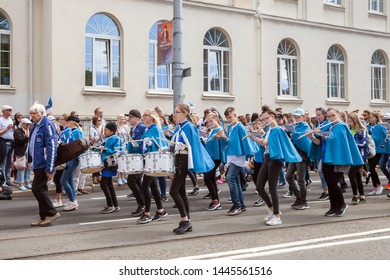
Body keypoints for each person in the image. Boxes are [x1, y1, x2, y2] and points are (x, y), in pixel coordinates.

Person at [253, 105, 302, 226]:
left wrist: (257, 137)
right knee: (259, 187)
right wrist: (253, 137)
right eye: (262, 120)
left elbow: (278, 146)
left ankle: (277, 216)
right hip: (267, 158)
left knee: (272, 188)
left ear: (272, 117)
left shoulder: (277, 130)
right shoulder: (270, 130)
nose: (264, 121)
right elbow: (265, 144)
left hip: (275, 160)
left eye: (266, 119)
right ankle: (272, 209)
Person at [169, 103, 214, 234]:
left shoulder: (189, 127)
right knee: (181, 191)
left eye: (177, 112)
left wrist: (182, 147)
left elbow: (193, 146)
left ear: (184, 113)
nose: (174, 114)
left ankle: (185, 220)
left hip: (183, 160)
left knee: (173, 191)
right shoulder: (179, 128)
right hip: (179, 159)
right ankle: (187, 221)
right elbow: (175, 145)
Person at [315, 108, 363, 217]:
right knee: (330, 184)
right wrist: (312, 135)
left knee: (333, 182)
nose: (330, 118)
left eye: (333, 115)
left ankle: (342, 204)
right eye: (329, 116)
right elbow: (320, 142)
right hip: (327, 158)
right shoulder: (330, 126)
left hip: (339, 159)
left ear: (339, 115)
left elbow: (335, 139)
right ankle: (333, 207)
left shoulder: (342, 126)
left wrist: (322, 134)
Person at [217, 107, 258, 216]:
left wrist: (224, 137)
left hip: (238, 156)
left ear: (235, 115)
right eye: (227, 118)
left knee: (230, 177)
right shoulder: (231, 127)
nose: (229, 119)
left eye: (230, 117)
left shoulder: (239, 127)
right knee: (235, 180)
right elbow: (230, 142)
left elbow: (237, 142)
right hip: (232, 156)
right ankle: (241, 204)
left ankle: (237, 204)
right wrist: (221, 138)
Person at [28, 103, 60, 226]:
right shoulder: (35, 126)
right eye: (31, 114)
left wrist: (50, 168)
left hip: (43, 163)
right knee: (41, 189)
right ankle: (44, 216)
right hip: (37, 163)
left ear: (42, 113)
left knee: (36, 188)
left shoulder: (47, 125)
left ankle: (52, 213)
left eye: (34, 114)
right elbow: (32, 144)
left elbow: (52, 148)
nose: (32, 116)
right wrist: (29, 158)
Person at [136, 109, 168, 223]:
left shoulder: (155, 129)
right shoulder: (148, 129)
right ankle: (160, 210)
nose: (143, 117)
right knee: (153, 186)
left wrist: (150, 142)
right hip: (149, 160)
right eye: (143, 115)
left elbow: (161, 144)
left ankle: (147, 213)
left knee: (145, 186)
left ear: (152, 117)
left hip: (154, 161)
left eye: (145, 115)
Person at [285, 108, 312, 210]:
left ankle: (304, 201)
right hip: (295, 154)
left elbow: (300, 136)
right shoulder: (295, 125)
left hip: (302, 155)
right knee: (288, 176)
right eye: (295, 116)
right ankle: (298, 197)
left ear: (303, 117)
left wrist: (291, 133)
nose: (296, 118)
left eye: (298, 116)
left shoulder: (305, 125)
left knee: (300, 179)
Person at [94, 122, 122, 214]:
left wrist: (105, 148)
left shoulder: (115, 138)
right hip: (108, 163)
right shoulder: (110, 138)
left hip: (110, 163)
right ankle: (115, 204)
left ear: (112, 131)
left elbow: (117, 150)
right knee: (109, 184)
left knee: (103, 184)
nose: (105, 131)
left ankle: (110, 205)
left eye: (106, 130)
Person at [59, 115, 84, 211]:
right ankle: (73, 200)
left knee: (63, 181)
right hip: (69, 158)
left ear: (73, 122)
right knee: (69, 180)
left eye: (68, 121)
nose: (67, 122)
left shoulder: (77, 132)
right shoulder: (71, 131)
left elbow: (80, 145)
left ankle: (73, 201)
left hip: (73, 158)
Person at [125, 109, 146, 216]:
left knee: (132, 181)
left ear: (137, 118)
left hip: (140, 158)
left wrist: (135, 145)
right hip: (134, 158)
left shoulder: (141, 128)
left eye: (131, 117)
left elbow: (142, 142)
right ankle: (144, 203)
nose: (129, 119)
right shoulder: (133, 129)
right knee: (137, 182)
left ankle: (142, 203)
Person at [203, 112, 225, 211]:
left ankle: (215, 201)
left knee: (208, 178)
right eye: (208, 122)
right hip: (211, 157)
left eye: (211, 121)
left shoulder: (219, 130)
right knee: (210, 178)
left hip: (215, 157)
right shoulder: (212, 131)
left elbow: (223, 140)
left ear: (216, 119)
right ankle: (216, 201)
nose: (209, 123)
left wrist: (219, 137)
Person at [347, 112, 367, 204]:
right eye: (348, 121)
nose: (349, 123)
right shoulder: (349, 130)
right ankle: (362, 195)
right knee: (357, 176)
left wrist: (352, 143)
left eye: (351, 121)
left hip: (360, 156)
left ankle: (355, 195)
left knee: (351, 174)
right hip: (352, 156)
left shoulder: (361, 130)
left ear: (355, 121)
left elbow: (363, 143)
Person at [367, 111, 386, 196]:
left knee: (372, 168)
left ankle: (379, 186)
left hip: (378, 150)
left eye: (372, 117)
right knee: (370, 169)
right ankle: (375, 187)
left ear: (376, 118)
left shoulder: (380, 126)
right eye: (370, 118)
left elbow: (383, 137)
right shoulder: (369, 126)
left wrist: (370, 137)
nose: (371, 119)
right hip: (371, 149)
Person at [13, 118, 32, 190]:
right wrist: (27, 137)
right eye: (27, 124)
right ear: (23, 124)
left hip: (28, 151)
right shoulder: (18, 131)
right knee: (21, 167)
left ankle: (27, 182)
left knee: (28, 167)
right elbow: (19, 141)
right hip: (21, 152)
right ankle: (20, 183)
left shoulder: (28, 131)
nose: (28, 126)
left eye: (29, 125)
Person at [0, 105, 16, 186]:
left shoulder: (10, 119)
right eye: (9, 110)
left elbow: (12, 131)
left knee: (9, 163)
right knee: (3, 162)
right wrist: (7, 128)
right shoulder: (0, 120)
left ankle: (8, 180)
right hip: (3, 143)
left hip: (11, 142)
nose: (11, 111)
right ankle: (3, 182)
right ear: (4, 111)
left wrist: (14, 129)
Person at [89, 115, 104, 185]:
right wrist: (99, 135)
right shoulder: (92, 129)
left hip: (101, 146)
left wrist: (103, 135)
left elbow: (104, 136)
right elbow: (93, 139)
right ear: (95, 121)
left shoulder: (101, 127)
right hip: (95, 147)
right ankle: (94, 178)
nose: (100, 121)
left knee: (100, 162)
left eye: (100, 120)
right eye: (98, 120)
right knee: (95, 163)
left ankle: (99, 177)